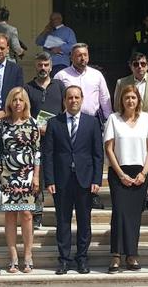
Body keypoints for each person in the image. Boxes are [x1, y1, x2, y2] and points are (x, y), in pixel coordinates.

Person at [42, 85, 103, 275]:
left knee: (84, 222)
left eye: (77, 97)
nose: (73, 101)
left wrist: (97, 179)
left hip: (85, 180)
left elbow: (97, 155)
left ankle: (82, 259)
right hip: (62, 180)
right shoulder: (54, 123)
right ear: (64, 101)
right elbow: (48, 154)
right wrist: (49, 180)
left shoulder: (92, 123)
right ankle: (64, 260)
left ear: (82, 99)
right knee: (63, 221)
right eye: (70, 98)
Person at [104, 85, 148, 273]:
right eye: (127, 97)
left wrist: (144, 173)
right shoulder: (113, 119)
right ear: (121, 100)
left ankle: (132, 255)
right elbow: (109, 149)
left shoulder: (147, 120)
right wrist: (121, 174)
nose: (130, 101)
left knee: (134, 215)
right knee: (119, 213)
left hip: (140, 172)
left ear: (138, 100)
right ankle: (116, 256)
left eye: (133, 98)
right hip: (119, 171)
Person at [54, 43, 112, 209]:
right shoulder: (61, 75)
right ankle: (69, 193)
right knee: (71, 158)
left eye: (85, 55)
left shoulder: (97, 75)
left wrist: (108, 122)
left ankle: (93, 193)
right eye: (79, 55)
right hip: (68, 123)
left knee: (92, 158)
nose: (82, 58)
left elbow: (105, 99)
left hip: (91, 123)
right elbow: (56, 99)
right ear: (71, 57)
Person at [0, 87, 40, 274]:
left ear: (25, 102)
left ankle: (28, 256)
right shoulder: (2, 124)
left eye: (20, 100)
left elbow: (37, 152)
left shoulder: (33, 123)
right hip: (6, 173)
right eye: (14, 100)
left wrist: (36, 175)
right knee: (10, 215)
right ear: (9, 103)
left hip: (27, 173)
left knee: (27, 214)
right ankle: (13, 257)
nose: (17, 103)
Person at [114, 52, 148, 210]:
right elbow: (117, 105)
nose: (140, 67)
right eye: (136, 64)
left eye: (143, 64)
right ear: (130, 66)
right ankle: (134, 192)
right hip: (129, 127)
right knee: (132, 160)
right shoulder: (122, 82)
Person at [24, 51, 66, 228]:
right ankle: (37, 214)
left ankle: (62, 214)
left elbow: (66, 109)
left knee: (60, 176)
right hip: (36, 140)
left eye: (46, 65)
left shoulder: (60, 86)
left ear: (51, 66)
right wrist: (37, 127)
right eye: (40, 65)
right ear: (36, 66)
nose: (43, 68)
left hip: (57, 139)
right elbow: (24, 113)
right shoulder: (27, 87)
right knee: (38, 179)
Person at [35, 12, 77, 78]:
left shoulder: (68, 31)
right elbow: (38, 42)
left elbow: (73, 46)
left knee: (58, 83)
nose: (52, 21)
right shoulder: (49, 31)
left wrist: (60, 48)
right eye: (51, 19)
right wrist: (45, 31)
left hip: (60, 63)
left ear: (60, 19)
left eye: (54, 19)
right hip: (47, 63)